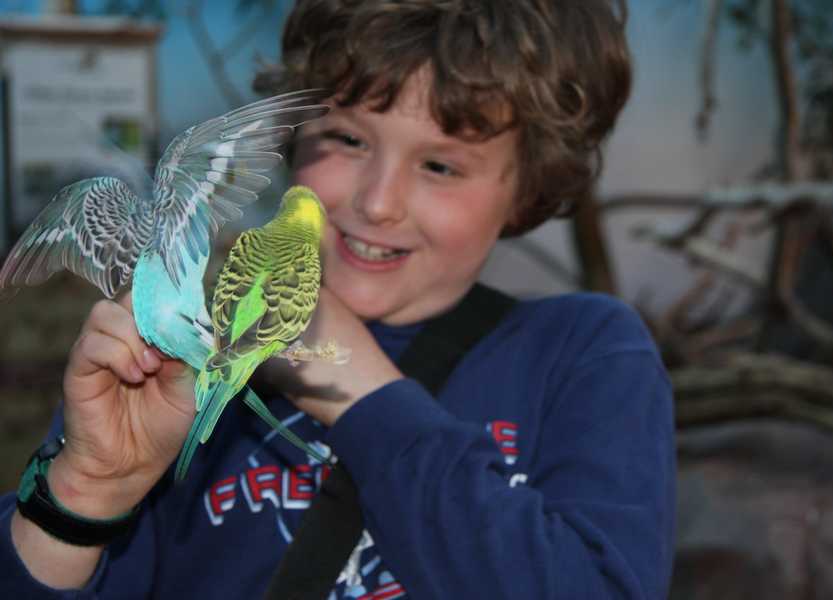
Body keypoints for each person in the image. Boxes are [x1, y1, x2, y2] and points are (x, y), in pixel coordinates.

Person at [1, 1, 675, 598]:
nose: (377, 202)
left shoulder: (585, 355)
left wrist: (362, 391)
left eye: (440, 165)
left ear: (528, 187)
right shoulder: (188, 353)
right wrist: (87, 491)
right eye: (348, 139)